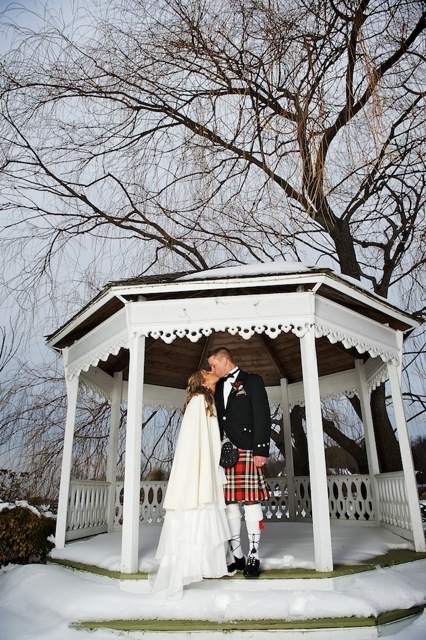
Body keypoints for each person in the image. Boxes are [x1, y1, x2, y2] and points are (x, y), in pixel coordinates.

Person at [150, 369, 230, 598]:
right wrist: (202, 471)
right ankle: (192, 566)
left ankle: (205, 565)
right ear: (202, 381)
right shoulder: (199, 401)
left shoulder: (207, 401)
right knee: (198, 509)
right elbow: (194, 442)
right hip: (198, 467)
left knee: (206, 512)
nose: (212, 371)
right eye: (207, 371)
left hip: (207, 466)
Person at [207, 347, 271, 578]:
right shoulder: (219, 386)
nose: (211, 370)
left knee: (251, 503)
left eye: (213, 365)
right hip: (225, 453)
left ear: (224, 360)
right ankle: (237, 555)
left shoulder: (252, 381)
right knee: (230, 505)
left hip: (247, 449)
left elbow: (263, 414)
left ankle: (254, 556)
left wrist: (261, 449)